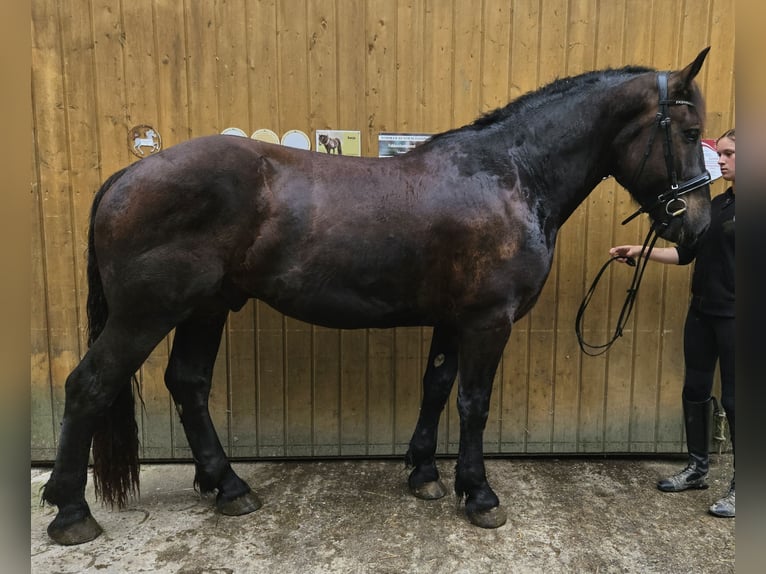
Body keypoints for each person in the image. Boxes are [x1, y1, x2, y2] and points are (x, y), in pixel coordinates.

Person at [609, 128, 735, 518]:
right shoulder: (717, 204)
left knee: (736, 400)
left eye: (731, 154)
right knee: (695, 390)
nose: (723, 160)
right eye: (724, 153)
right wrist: (639, 250)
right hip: (702, 312)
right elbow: (686, 255)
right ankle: (698, 469)